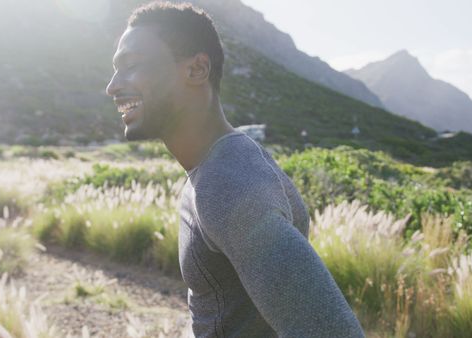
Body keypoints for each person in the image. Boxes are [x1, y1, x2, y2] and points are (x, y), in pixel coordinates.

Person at [105, 2, 365, 337]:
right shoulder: (222, 165)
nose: (112, 86)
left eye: (131, 65)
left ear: (197, 70)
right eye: (115, 69)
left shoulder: (227, 184)